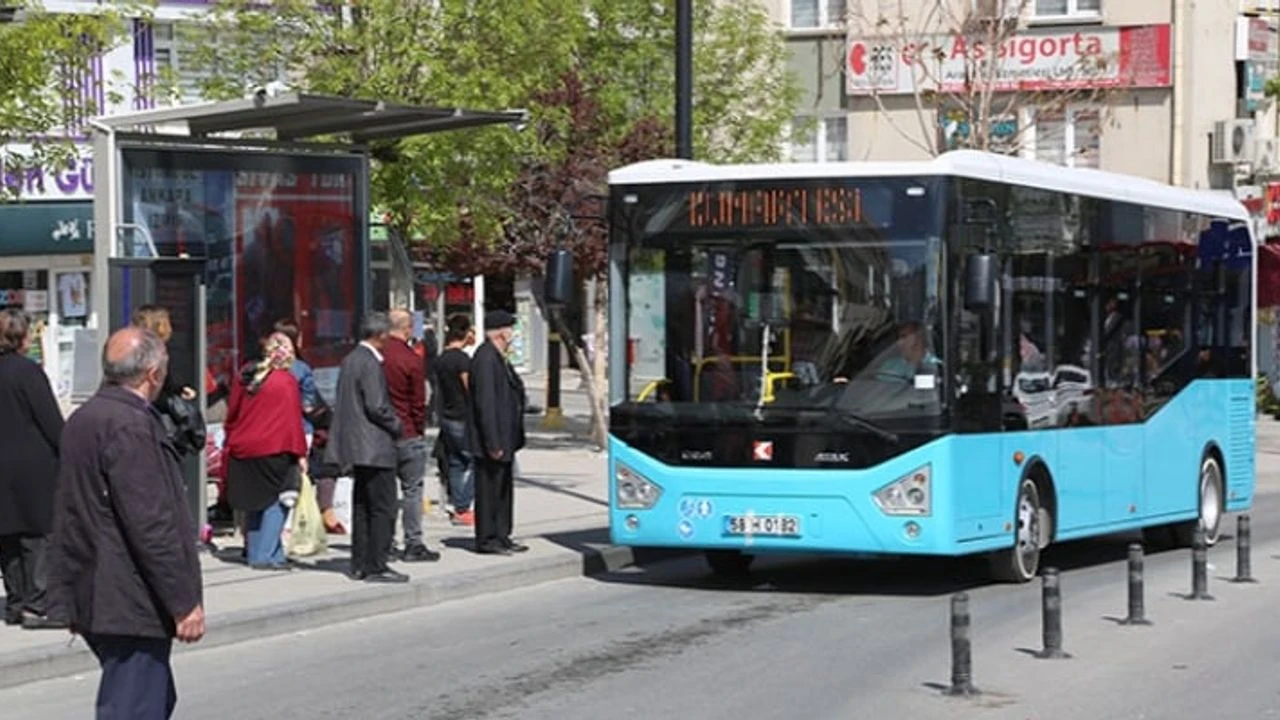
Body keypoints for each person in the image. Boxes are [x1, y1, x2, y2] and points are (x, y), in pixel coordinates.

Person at [45, 326, 205, 720]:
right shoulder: (130, 426)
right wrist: (183, 602)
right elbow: (151, 524)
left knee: (149, 697)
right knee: (136, 705)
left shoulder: (86, 418)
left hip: (98, 588)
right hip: (128, 595)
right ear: (153, 374)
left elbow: (71, 511)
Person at [326, 312, 408, 583]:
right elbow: (376, 406)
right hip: (374, 446)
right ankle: (376, 564)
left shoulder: (350, 359)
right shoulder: (370, 362)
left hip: (356, 444)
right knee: (383, 507)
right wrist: (397, 424)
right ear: (381, 335)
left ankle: (360, 562)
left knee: (362, 505)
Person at [0, 309, 65, 629]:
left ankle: (16, 601)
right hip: (32, 465)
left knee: (8, 535)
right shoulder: (27, 372)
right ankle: (37, 604)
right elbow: (50, 420)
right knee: (38, 534)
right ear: (22, 337)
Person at [223, 333, 308, 570]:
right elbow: (292, 421)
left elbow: (233, 412)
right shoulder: (286, 381)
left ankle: (261, 552)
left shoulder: (246, 376)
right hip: (276, 446)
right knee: (277, 501)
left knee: (255, 502)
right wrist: (301, 453)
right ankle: (265, 554)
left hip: (244, 446)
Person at [467, 310, 528, 555]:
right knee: (489, 490)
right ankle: (487, 538)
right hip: (492, 440)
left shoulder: (499, 357)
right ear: (501, 332)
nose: (513, 334)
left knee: (503, 489)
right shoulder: (485, 358)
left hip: (506, 436)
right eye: (510, 329)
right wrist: (492, 441)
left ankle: (502, 534)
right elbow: (486, 403)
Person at [383, 309, 439, 562]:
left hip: (382, 434)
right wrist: (418, 428)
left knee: (385, 491)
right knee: (412, 490)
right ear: (407, 329)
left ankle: (386, 541)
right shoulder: (411, 359)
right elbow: (418, 401)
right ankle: (413, 542)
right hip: (407, 432)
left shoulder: (377, 356)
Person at [130, 306, 205, 458]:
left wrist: (179, 389)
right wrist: (177, 394)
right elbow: (162, 388)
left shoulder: (131, 352)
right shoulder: (158, 354)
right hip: (157, 424)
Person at [434, 313, 476, 525]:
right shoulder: (462, 360)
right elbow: (470, 388)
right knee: (476, 461)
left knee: (455, 462)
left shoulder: (441, 359)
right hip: (463, 416)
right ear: (466, 333)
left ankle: (458, 507)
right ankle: (462, 504)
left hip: (447, 415)